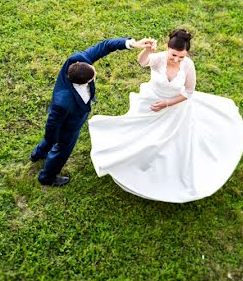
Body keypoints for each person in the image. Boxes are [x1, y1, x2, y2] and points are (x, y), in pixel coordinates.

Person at [88, 29, 243, 202]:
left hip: (176, 107)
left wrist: (167, 104)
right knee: (141, 136)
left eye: (181, 57)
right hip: (152, 102)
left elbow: (189, 92)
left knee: (173, 144)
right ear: (168, 49)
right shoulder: (159, 59)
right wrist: (147, 49)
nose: (177, 60)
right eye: (174, 55)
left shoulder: (188, 66)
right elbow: (142, 62)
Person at [31, 36, 155, 186]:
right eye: (94, 73)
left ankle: (38, 153)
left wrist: (133, 44)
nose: (95, 70)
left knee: (50, 140)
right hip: (70, 124)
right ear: (86, 82)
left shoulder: (78, 60)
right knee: (62, 148)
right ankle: (47, 177)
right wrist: (53, 139)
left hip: (71, 114)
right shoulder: (63, 102)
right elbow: (52, 124)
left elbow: (105, 46)